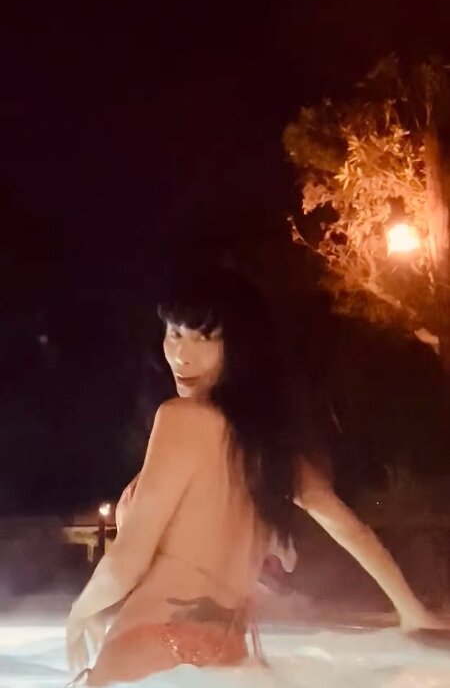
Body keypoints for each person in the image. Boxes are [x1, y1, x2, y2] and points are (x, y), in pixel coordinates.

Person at [66, 267, 443, 686]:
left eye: (205, 338)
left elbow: (127, 561)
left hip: (149, 644)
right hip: (228, 653)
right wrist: (411, 610)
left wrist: (79, 613)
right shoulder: (270, 451)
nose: (182, 355)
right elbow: (349, 529)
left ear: (240, 348)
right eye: (174, 333)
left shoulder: (180, 418)